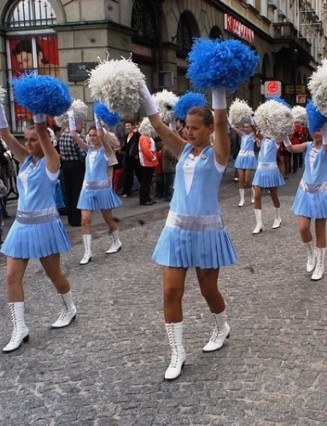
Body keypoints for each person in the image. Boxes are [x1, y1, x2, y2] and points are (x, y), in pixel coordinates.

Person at [141, 84, 237, 381]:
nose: (189, 132)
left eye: (196, 128)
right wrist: (140, 87)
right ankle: (177, 352)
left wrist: (219, 88)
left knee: (208, 290)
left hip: (207, 232)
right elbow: (157, 123)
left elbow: (221, 120)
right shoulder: (182, 150)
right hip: (176, 231)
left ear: (209, 129)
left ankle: (221, 326)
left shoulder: (218, 155)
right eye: (187, 126)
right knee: (171, 291)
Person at [0, 101, 76, 353]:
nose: (28, 143)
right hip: (21, 225)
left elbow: (42, 132)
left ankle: (69, 308)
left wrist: (39, 107)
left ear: (45, 140)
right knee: (11, 276)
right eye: (26, 140)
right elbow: (5, 134)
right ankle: (19, 327)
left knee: (54, 274)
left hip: (45, 225)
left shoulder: (52, 161)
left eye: (33, 139)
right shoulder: (26, 160)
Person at [286, 122, 327, 281]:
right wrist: (282, 134)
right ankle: (310, 253)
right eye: (315, 130)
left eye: (320, 131)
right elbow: (290, 149)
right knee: (302, 228)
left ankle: (320, 265)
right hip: (305, 191)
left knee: (320, 230)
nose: (317, 134)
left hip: (321, 193)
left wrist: (326, 128)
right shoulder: (307, 145)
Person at [70, 117, 123, 265]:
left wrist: (97, 118)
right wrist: (71, 115)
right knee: (85, 220)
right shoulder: (88, 150)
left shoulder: (106, 151)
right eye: (90, 135)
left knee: (108, 218)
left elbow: (101, 135)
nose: (93, 137)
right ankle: (87, 252)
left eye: (95, 135)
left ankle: (116, 241)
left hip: (102, 190)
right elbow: (74, 135)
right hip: (87, 191)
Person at [251, 135, 285, 234]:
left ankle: (278, 217)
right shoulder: (261, 139)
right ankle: (259, 223)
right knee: (257, 195)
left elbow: (282, 134)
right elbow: (256, 133)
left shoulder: (276, 140)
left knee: (274, 196)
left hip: (271, 170)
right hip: (260, 171)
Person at [57, 114, 86, 226]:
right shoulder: (77, 137)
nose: (82, 126)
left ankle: (71, 218)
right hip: (77, 166)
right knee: (77, 192)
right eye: (80, 124)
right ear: (75, 124)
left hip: (65, 165)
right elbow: (83, 153)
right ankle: (78, 218)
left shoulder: (63, 135)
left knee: (68, 191)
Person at [233, 122, 258, 206]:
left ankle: (253, 194)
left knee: (247, 181)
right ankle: (242, 199)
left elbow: (255, 130)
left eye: (247, 127)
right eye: (244, 127)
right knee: (241, 180)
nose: (246, 128)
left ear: (250, 128)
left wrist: (252, 122)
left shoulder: (253, 136)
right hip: (241, 157)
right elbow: (233, 127)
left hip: (249, 158)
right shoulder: (242, 135)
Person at [121, 121, 141, 198]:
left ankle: (144, 189)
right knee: (127, 174)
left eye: (129, 126)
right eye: (126, 126)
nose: (127, 128)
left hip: (135, 157)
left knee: (139, 173)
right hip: (127, 157)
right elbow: (125, 146)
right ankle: (126, 191)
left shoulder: (137, 135)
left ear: (133, 126)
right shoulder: (126, 136)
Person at [138, 133, 158, 205]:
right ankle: (144, 199)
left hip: (149, 161)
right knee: (146, 181)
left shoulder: (146, 137)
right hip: (147, 162)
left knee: (147, 181)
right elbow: (146, 150)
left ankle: (147, 198)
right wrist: (152, 157)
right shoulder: (144, 137)